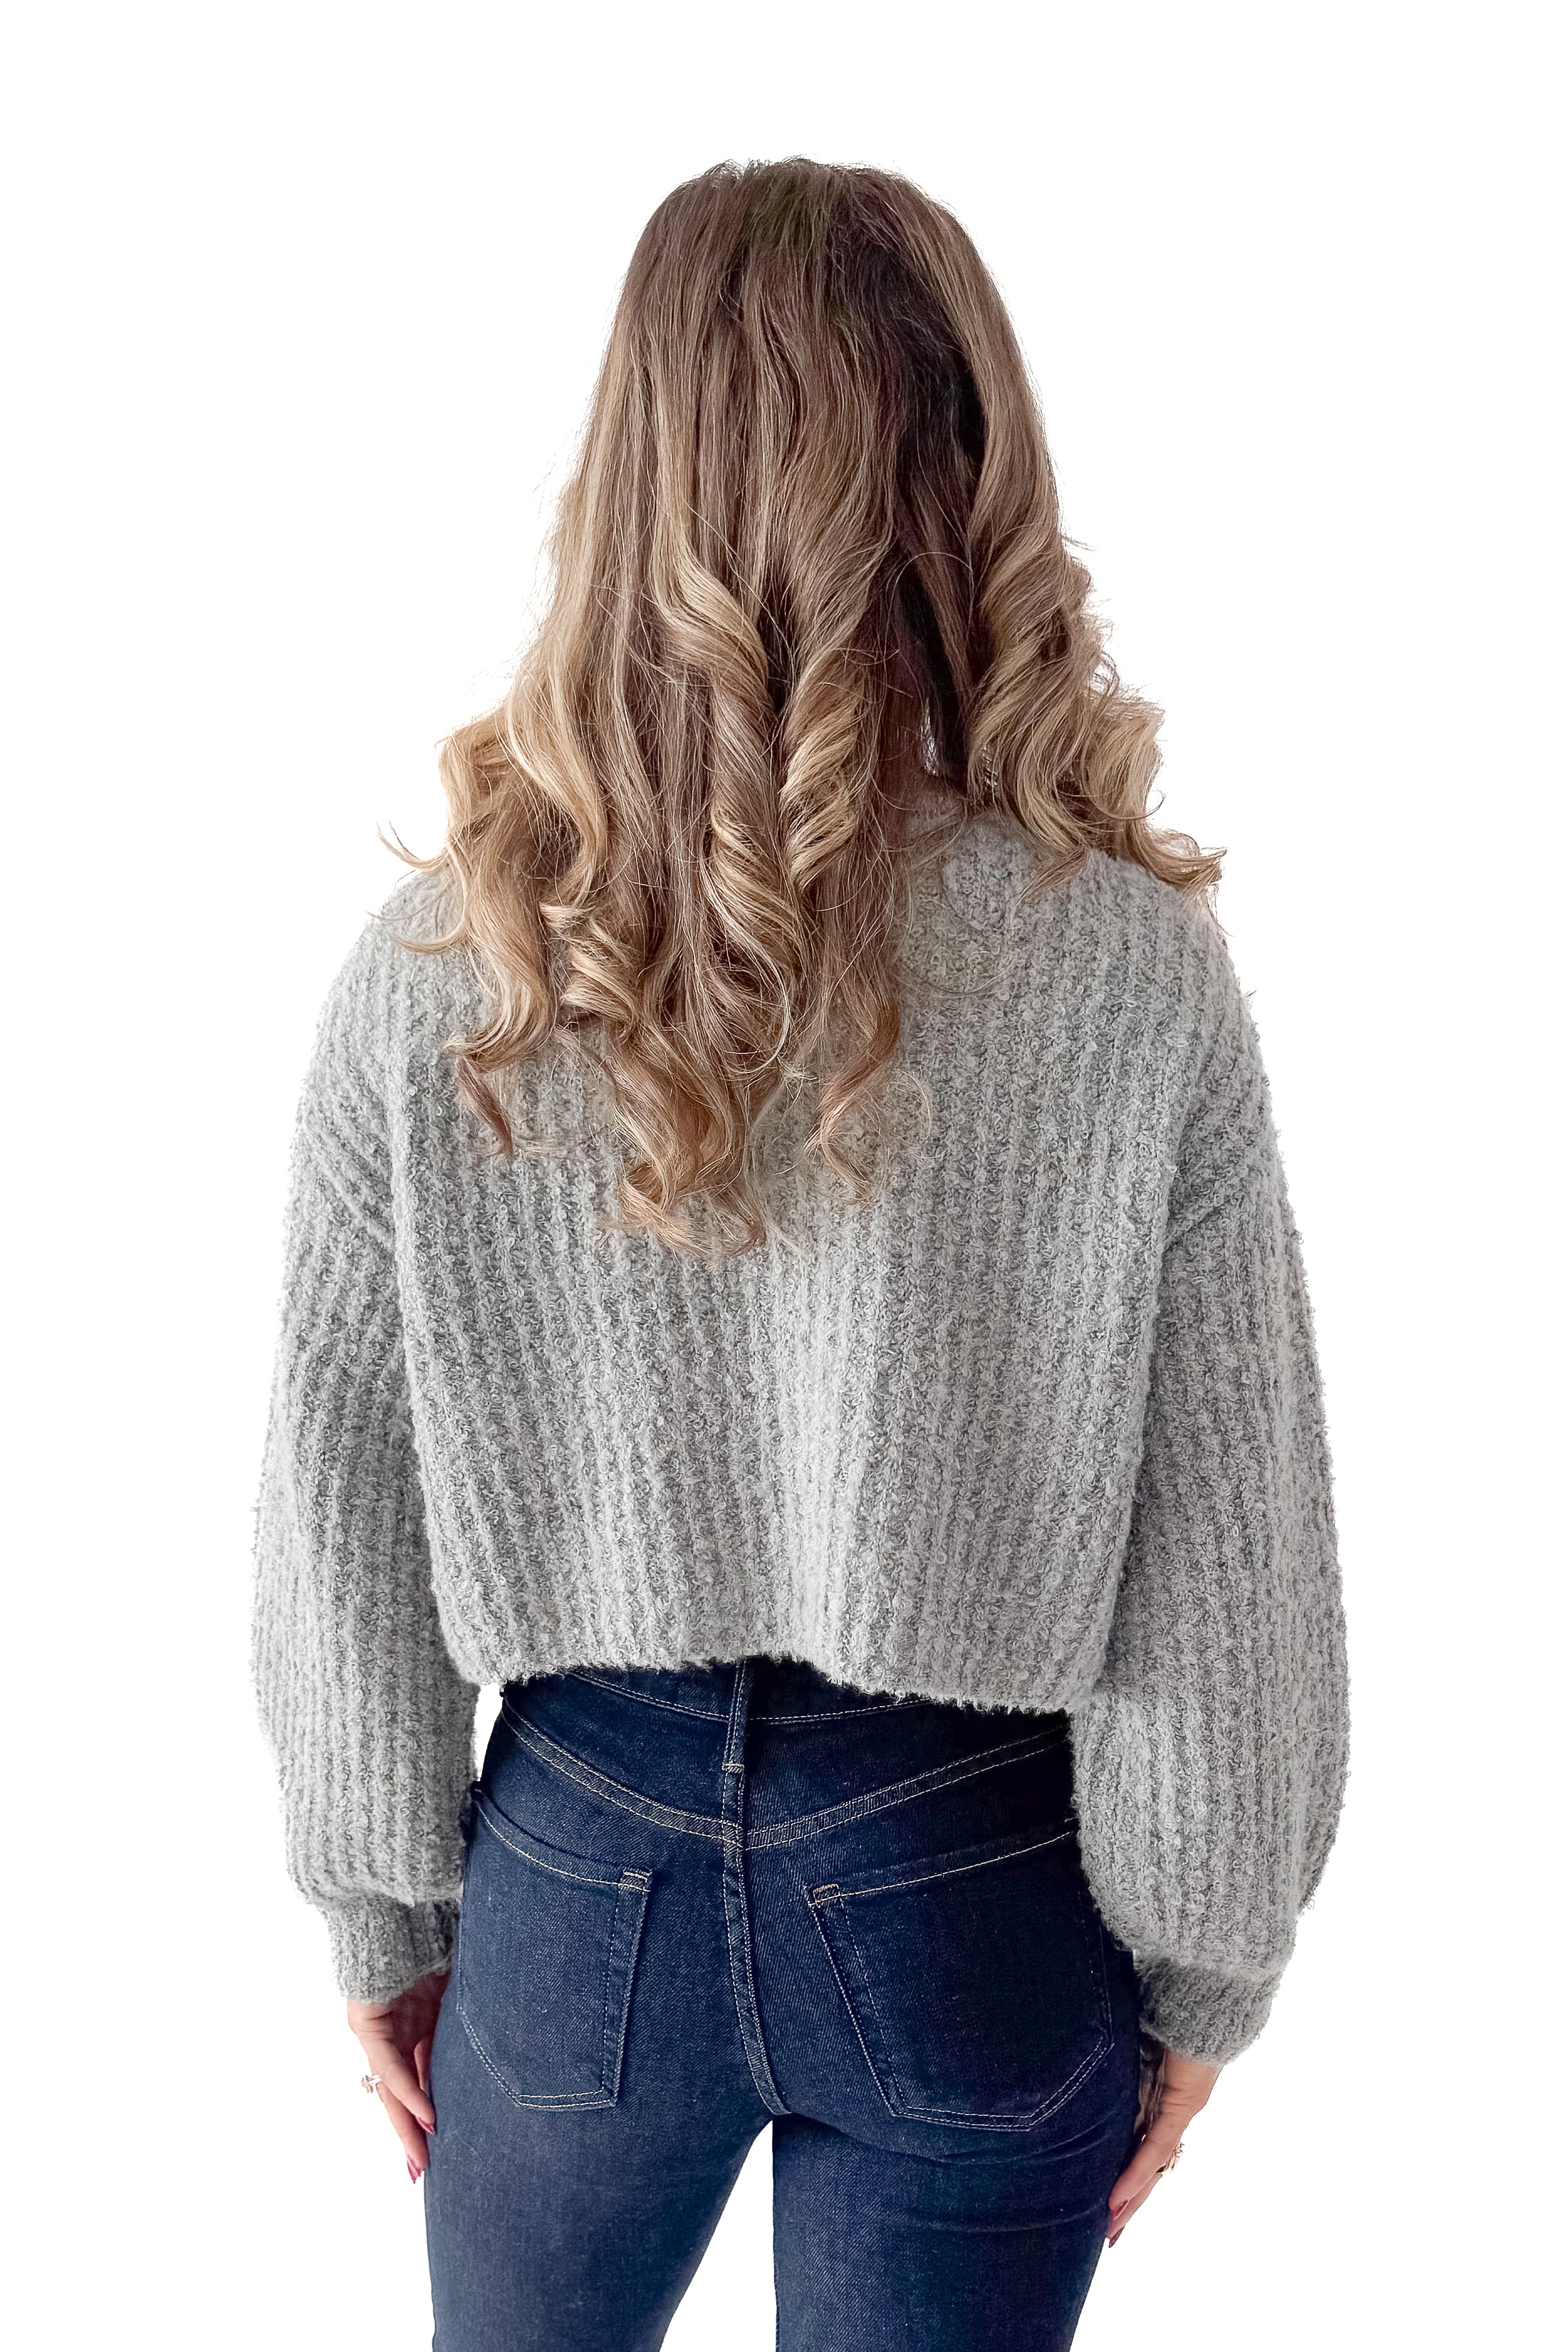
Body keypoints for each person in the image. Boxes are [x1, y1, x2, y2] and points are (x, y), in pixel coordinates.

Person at [251, 156, 1349, 2352]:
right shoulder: (1129, 972)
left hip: (575, 1863)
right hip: (967, 1872)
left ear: (627, 463)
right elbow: (1225, 1549)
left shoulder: (440, 961)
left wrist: (381, 1911)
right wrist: (1212, 1959)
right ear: (972, 467)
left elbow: (334, 1505)